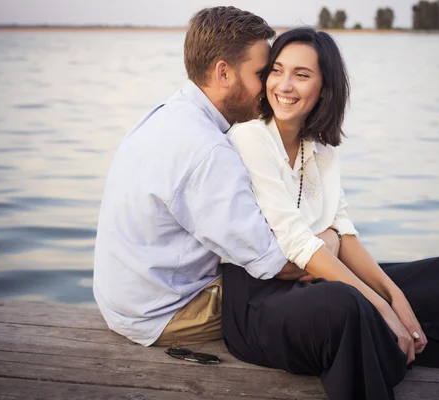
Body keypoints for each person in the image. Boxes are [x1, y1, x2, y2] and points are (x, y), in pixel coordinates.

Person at [221, 27, 439, 400]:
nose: (285, 85)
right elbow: (294, 241)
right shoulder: (250, 137)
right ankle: (384, 338)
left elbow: (343, 231)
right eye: (277, 70)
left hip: (319, 278)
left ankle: (394, 338)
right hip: (260, 304)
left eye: (302, 75)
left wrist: (395, 295)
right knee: (350, 306)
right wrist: (381, 307)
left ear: (324, 88)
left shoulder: (320, 148)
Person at [93, 6, 302, 347]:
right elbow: (276, 264)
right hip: (165, 315)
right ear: (224, 73)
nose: (268, 87)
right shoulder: (207, 151)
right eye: (261, 74)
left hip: (122, 302)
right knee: (311, 294)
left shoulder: (164, 116)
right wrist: (331, 245)